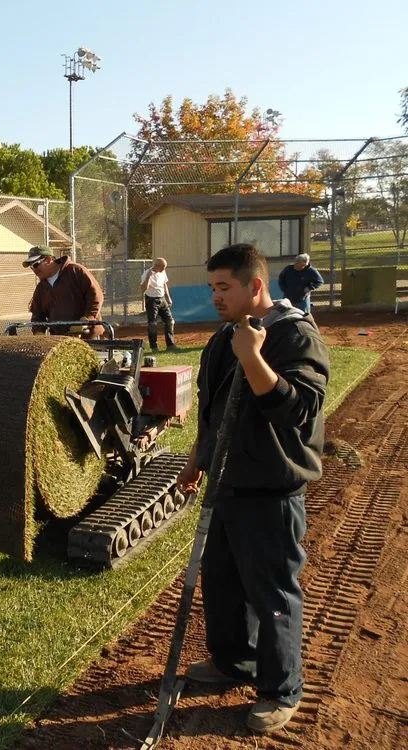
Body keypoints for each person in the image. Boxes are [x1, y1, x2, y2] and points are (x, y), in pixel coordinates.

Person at [175, 244, 329, 735]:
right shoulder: (223, 340)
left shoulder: (294, 336)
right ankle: (232, 662)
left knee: (274, 594)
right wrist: (197, 459)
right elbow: (214, 410)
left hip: (271, 490)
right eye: (212, 287)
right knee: (222, 583)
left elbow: (298, 410)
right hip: (227, 485)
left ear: (255, 286)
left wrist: (255, 361)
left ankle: (281, 688)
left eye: (225, 287)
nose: (215, 296)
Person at [23, 246, 105, 338]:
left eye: (35, 265)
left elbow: (96, 296)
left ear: (48, 259)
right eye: (31, 267)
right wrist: (39, 333)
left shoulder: (75, 271)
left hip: (89, 338)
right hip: (60, 342)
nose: (34, 270)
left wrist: (86, 321)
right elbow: (37, 315)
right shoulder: (40, 289)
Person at [139, 257, 176, 351]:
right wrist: (148, 276)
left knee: (170, 321)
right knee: (152, 323)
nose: (164, 269)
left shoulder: (162, 273)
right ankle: (154, 347)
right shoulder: (147, 273)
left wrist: (168, 298)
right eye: (163, 267)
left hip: (162, 299)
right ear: (157, 266)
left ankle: (170, 345)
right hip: (151, 300)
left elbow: (164, 285)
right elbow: (143, 289)